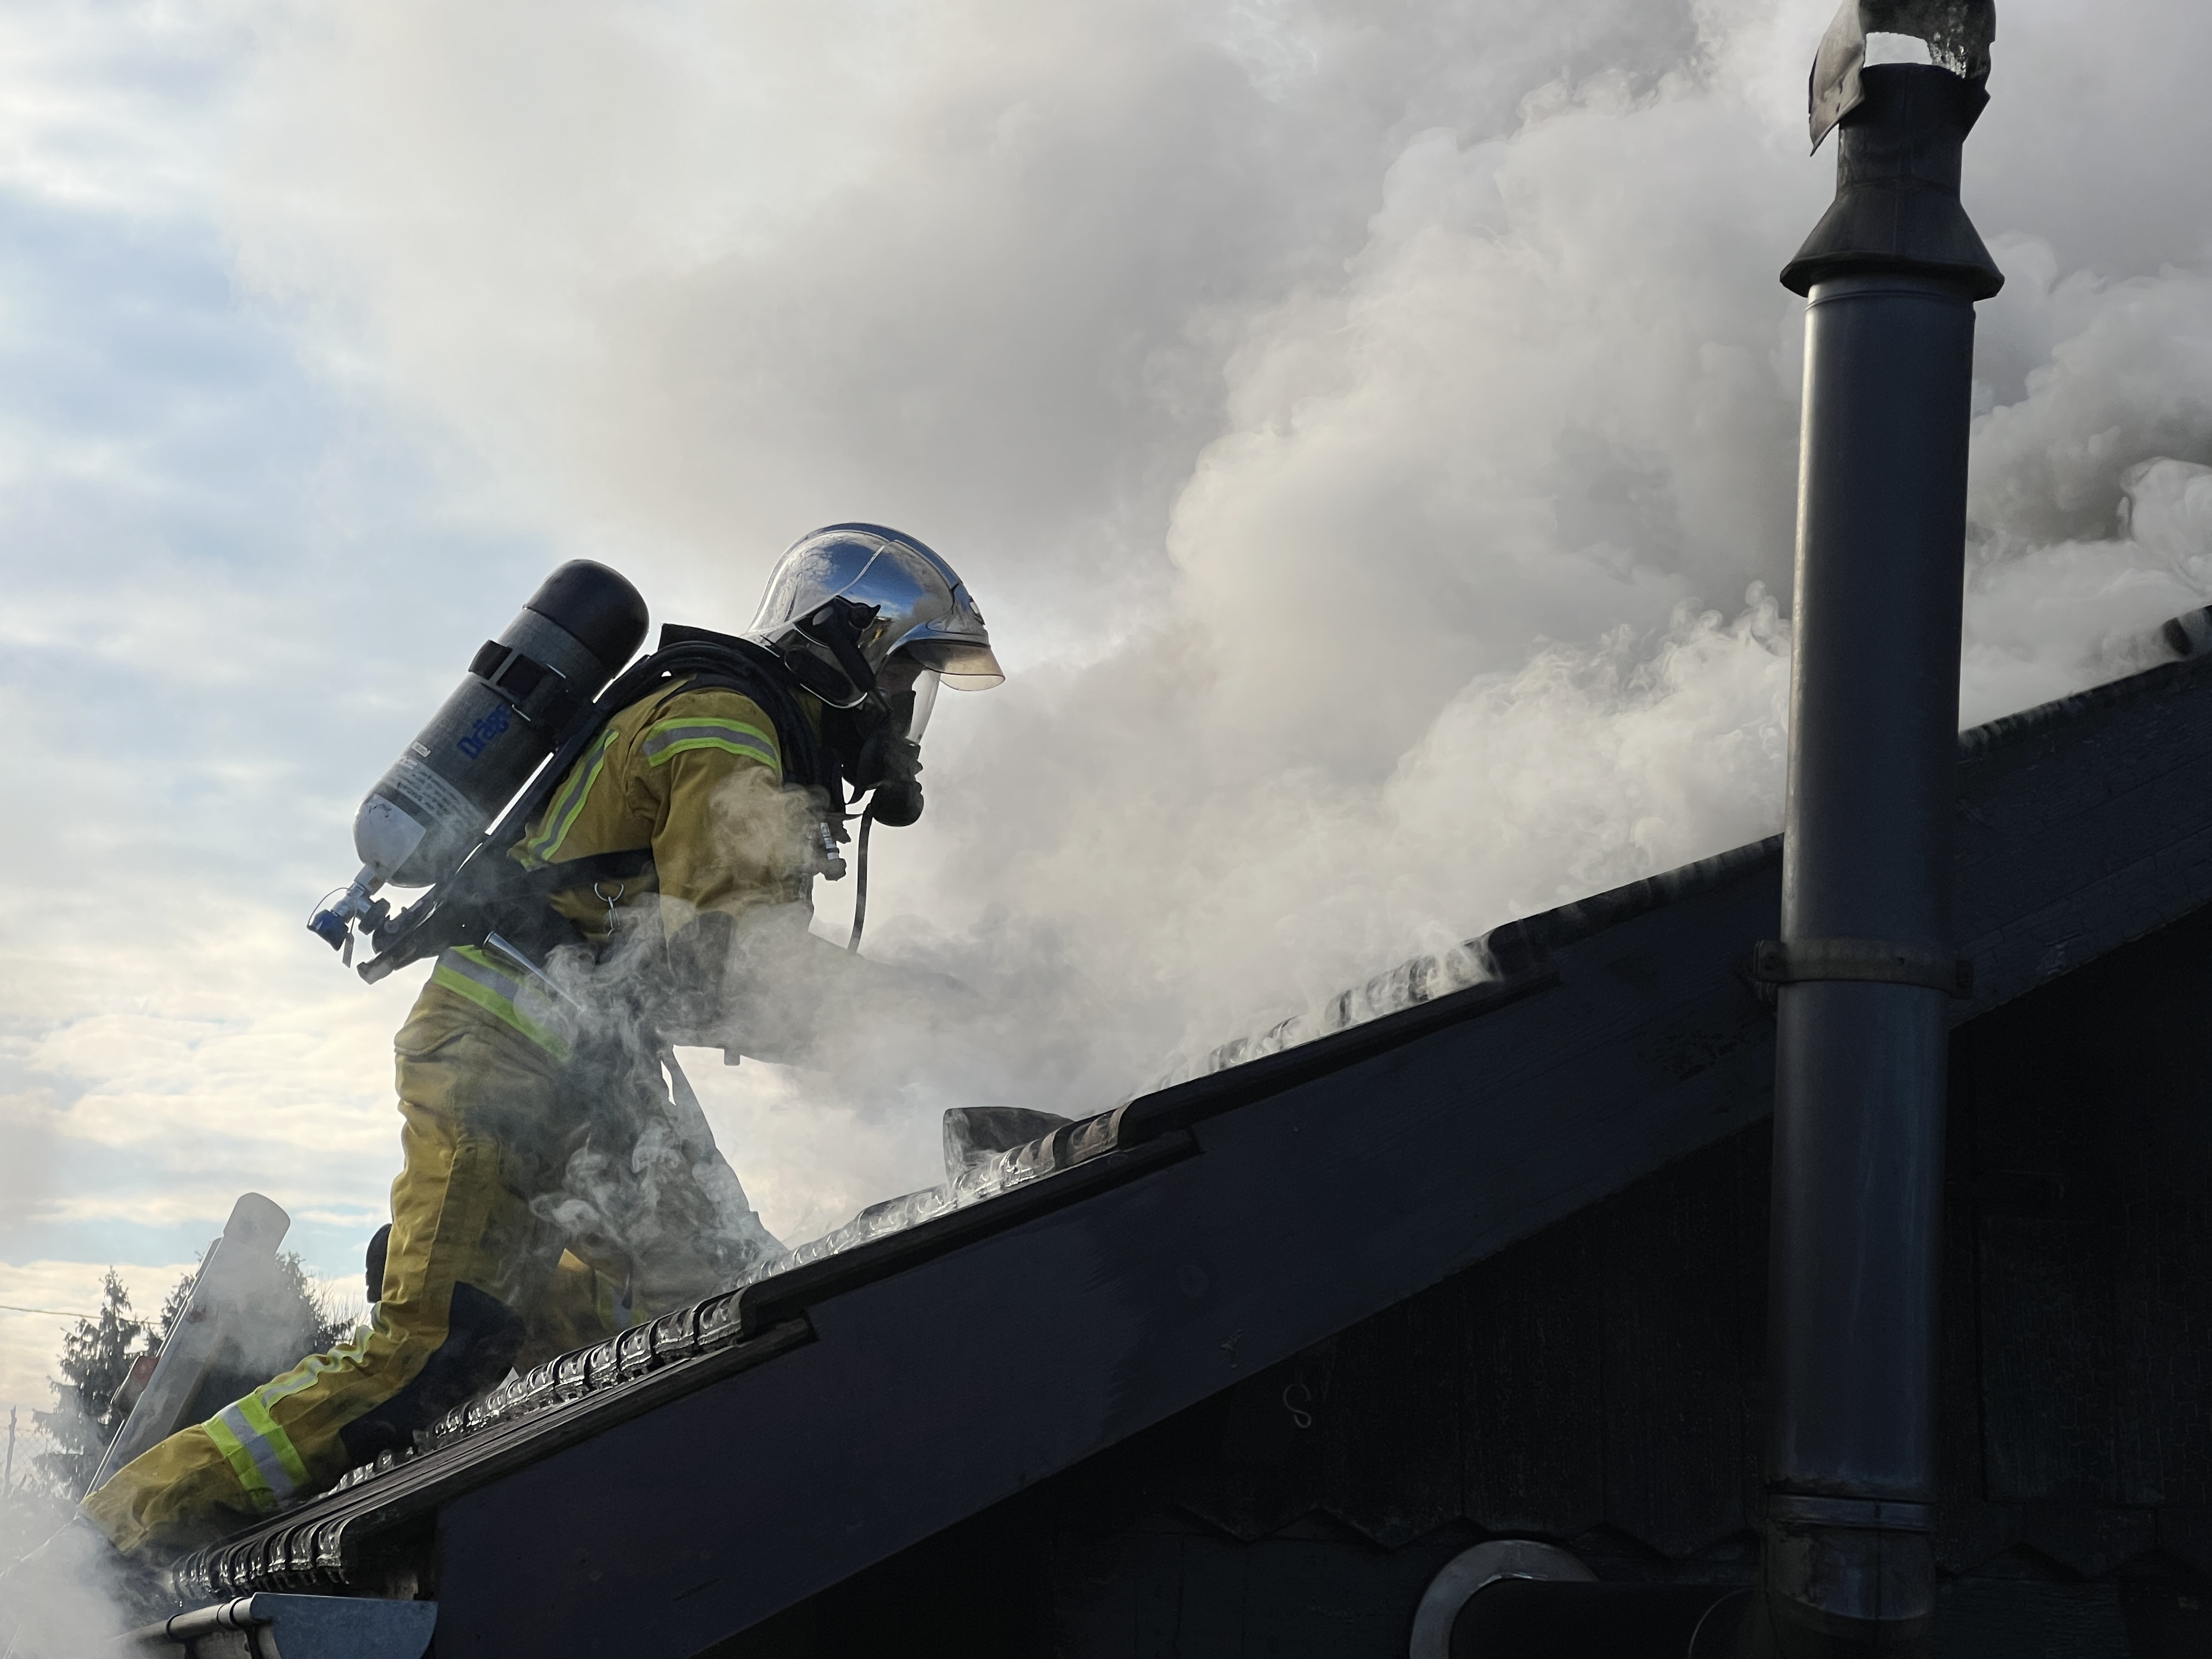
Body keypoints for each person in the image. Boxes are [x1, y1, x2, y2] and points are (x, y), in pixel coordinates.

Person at [74, 524, 1002, 1563]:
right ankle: (110, 1547)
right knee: (428, 1345)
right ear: (845, 639)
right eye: (902, 674)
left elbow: (691, 972)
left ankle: (584, 1500)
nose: (903, 716)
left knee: (732, 1301)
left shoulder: (738, 725)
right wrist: (941, 1013)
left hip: (596, 1070)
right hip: (503, 1055)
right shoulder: (728, 723)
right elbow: (734, 971)